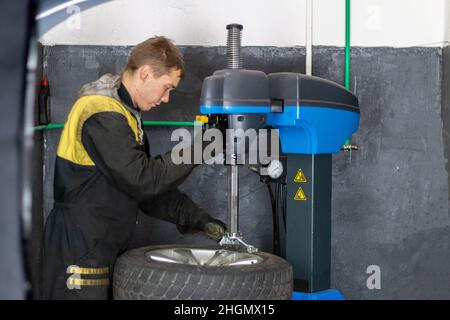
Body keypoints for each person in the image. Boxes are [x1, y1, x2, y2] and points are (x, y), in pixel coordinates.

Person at [42, 36, 226, 300]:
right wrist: (201, 148)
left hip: (97, 251)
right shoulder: (99, 111)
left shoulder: (126, 115)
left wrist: (200, 219)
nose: (165, 99)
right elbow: (142, 179)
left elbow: (147, 192)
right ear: (146, 73)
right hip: (76, 255)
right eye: (166, 88)